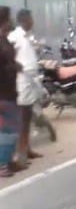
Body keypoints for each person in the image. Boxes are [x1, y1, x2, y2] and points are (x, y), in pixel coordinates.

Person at [7, 9, 42, 168]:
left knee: (27, 117)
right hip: (22, 82)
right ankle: (20, 153)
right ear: (25, 20)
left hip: (30, 81)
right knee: (22, 119)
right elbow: (9, 57)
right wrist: (17, 67)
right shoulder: (15, 36)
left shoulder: (27, 36)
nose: (32, 21)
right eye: (31, 19)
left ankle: (27, 149)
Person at [0, 7, 22, 177]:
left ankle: (7, 161)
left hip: (10, 90)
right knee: (7, 130)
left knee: (11, 128)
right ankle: (2, 165)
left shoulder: (5, 40)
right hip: (3, 93)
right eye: (9, 18)